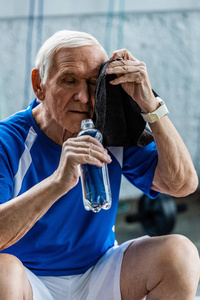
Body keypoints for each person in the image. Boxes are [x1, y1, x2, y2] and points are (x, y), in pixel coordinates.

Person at [0, 29, 199, 300]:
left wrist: (149, 104)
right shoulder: (8, 140)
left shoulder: (111, 128)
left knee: (180, 255)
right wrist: (58, 182)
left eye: (94, 83)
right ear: (39, 84)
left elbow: (183, 184)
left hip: (99, 272)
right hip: (29, 280)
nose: (83, 96)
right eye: (69, 81)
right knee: (2, 271)